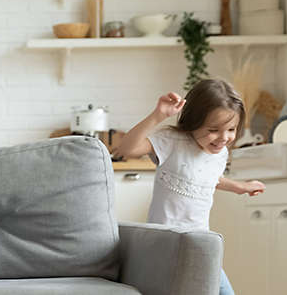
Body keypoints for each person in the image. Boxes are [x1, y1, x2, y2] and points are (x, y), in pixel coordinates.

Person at [113, 79, 266, 295]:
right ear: (194, 122)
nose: (224, 138)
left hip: (200, 243)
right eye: (213, 130)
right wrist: (157, 115)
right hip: (165, 243)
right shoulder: (172, 141)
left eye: (231, 129)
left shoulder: (219, 153)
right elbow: (126, 149)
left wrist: (239, 186)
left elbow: (209, 178)